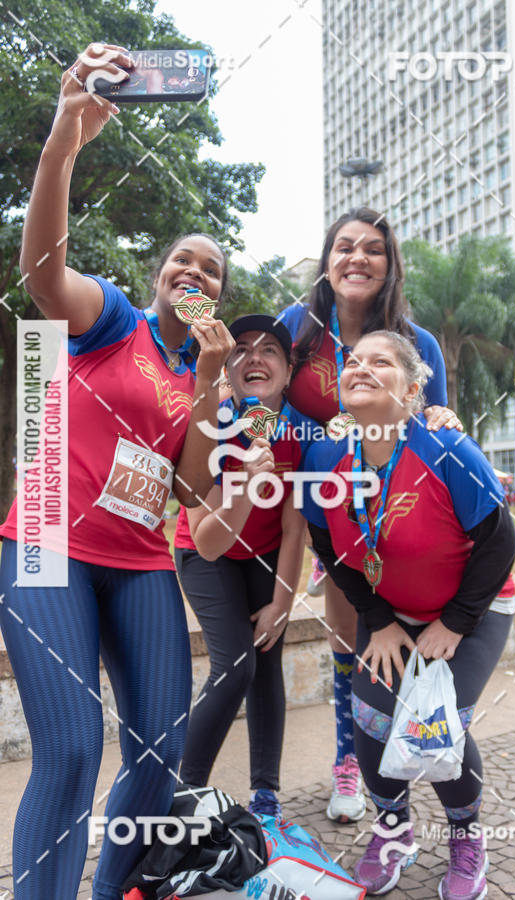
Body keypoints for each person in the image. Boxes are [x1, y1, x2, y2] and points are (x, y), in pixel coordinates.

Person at [0, 44, 234, 900]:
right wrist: (66, 140)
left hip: (138, 564)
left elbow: (191, 491)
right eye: (184, 260)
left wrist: (210, 391)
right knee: (68, 752)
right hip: (45, 545)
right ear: (160, 276)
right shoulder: (114, 319)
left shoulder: (201, 378)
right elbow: (41, 279)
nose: (196, 272)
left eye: (212, 268)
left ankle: (111, 890)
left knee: (159, 749)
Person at [303, 331, 515, 898]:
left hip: (473, 605)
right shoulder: (324, 457)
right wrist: (378, 618)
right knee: (371, 718)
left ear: (414, 388)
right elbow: (327, 546)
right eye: (353, 361)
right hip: (395, 612)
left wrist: (455, 623)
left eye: (381, 362)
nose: (361, 368)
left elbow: (500, 544)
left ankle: (468, 837)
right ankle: (394, 829)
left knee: (438, 720)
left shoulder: (446, 448)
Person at [277, 206, 461, 823]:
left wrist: (442, 419)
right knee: (344, 639)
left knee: (378, 641)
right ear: (327, 263)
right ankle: (346, 763)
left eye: (374, 250)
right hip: (307, 499)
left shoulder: (417, 341)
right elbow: (256, 404)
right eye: (345, 247)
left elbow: (431, 429)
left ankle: (410, 764)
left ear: (390, 267)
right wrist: (320, 426)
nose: (358, 257)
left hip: (391, 516)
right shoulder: (295, 328)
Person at [174, 314, 315, 818]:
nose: (255, 357)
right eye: (242, 350)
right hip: (204, 553)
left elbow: (295, 528)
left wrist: (282, 602)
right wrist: (246, 484)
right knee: (235, 665)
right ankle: (182, 791)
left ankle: (266, 795)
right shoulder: (209, 425)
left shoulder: (300, 433)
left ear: (289, 366)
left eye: (270, 349)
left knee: (266, 660)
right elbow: (208, 540)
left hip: (265, 556)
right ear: (227, 369)